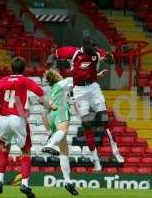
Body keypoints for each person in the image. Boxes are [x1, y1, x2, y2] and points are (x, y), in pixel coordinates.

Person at [47, 36, 124, 172]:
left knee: (105, 120)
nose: (94, 49)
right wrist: (51, 61)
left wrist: (110, 59)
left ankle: (116, 151)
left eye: (95, 46)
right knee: (87, 125)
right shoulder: (74, 52)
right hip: (79, 91)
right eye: (92, 46)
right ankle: (96, 160)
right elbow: (55, 54)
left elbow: (108, 58)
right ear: (85, 46)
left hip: (94, 88)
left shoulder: (96, 52)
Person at [0, 57, 44, 198]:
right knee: (25, 151)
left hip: (3, 119)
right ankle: (24, 183)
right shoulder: (25, 80)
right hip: (18, 118)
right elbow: (40, 92)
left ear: (11, 68)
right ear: (24, 68)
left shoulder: (2, 80)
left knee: (5, 148)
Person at [41, 68, 78, 196]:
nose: (61, 74)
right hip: (61, 110)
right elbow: (80, 78)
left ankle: (68, 182)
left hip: (52, 115)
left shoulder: (52, 89)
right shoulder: (63, 83)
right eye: (59, 73)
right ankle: (49, 144)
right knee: (63, 130)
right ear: (56, 76)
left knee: (64, 151)